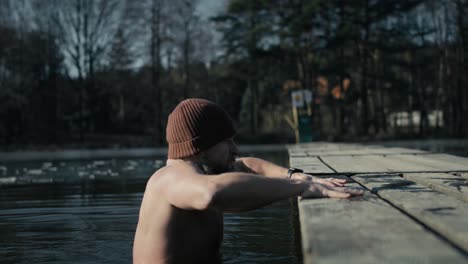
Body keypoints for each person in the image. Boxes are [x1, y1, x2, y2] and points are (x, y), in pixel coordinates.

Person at [133, 98, 363, 264]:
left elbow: (247, 164)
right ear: (200, 149)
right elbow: (210, 195)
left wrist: (294, 175)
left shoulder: (201, 172)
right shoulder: (168, 178)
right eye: (227, 141)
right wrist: (301, 188)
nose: (235, 149)